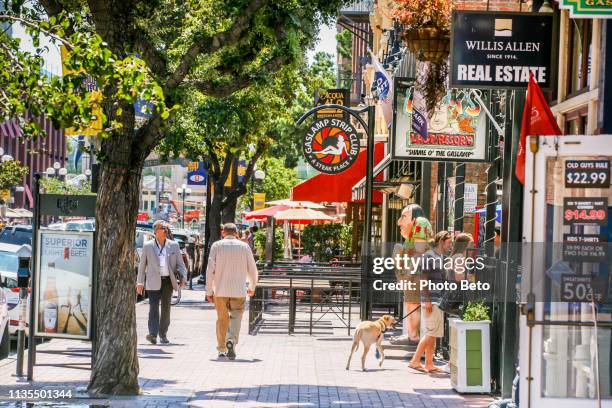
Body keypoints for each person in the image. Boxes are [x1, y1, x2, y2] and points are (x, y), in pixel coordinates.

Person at [206, 223, 258, 360]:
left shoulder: (216, 246)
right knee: (236, 316)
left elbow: (210, 269)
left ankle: (222, 349)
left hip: (220, 290)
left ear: (223, 232)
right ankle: (231, 340)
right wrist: (252, 286)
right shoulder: (244, 246)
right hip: (238, 290)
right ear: (236, 233)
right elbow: (252, 268)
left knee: (222, 319)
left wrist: (208, 290)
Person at [137, 220, 188, 344]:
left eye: (166, 228)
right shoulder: (148, 246)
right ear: (156, 231)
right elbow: (142, 265)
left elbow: (181, 264)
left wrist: (184, 278)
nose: (165, 230)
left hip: (167, 281)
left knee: (166, 309)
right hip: (153, 281)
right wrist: (140, 282)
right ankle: (153, 334)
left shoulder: (174, 245)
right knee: (153, 308)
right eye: (162, 228)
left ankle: (163, 334)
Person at [408, 231, 452, 373]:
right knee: (431, 334)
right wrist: (427, 299)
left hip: (436, 300)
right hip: (431, 300)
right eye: (449, 242)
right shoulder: (430, 256)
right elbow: (423, 278)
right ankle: (415, 361)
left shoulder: (439, 257)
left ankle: (429, 364)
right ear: (441, 242)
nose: (450, 245)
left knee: (432, 334)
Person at [392, 204, 433, 345]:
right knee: (411, 303)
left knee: (413, 303)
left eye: (404, 217)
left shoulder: (420, 222)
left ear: (414, 217)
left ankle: (413, 337)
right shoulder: (415, 228)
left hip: (417, 273)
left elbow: (420, 250)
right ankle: (411, 335)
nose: (399, 222)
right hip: (413, 272)